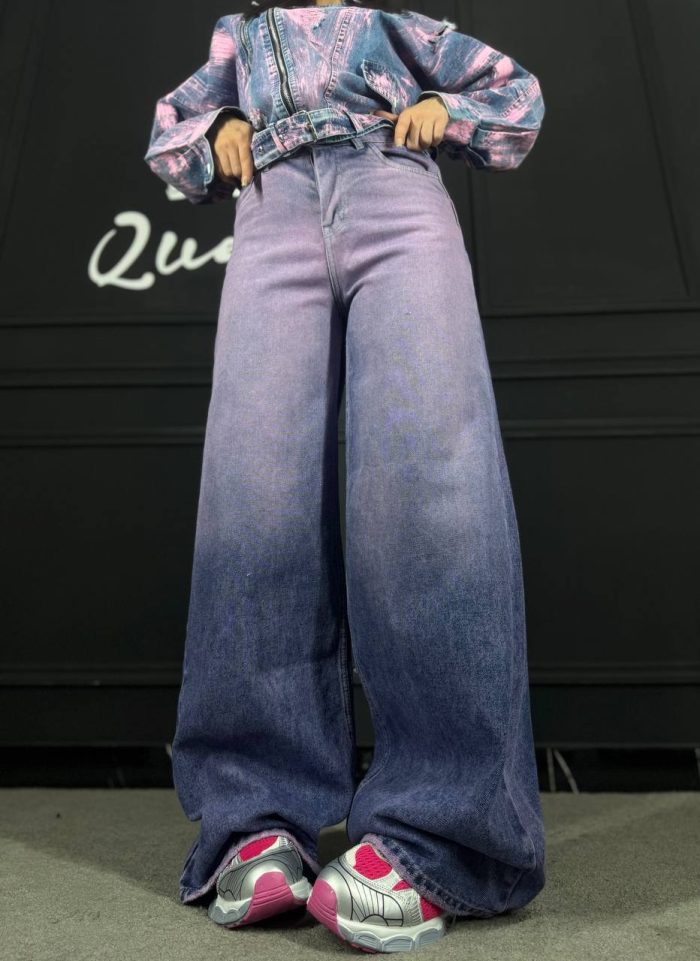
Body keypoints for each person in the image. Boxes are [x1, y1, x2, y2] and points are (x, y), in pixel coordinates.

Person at [144, 0, 546, 952]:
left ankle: (443, 834)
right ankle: (254, 814)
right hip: (270, 209)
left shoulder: (396, 25)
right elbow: (171, 135)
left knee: (427, 485)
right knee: (255, 495)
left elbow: (517, 98)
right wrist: (223, 127)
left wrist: (447, 113)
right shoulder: (242, 36)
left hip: (394, 190)